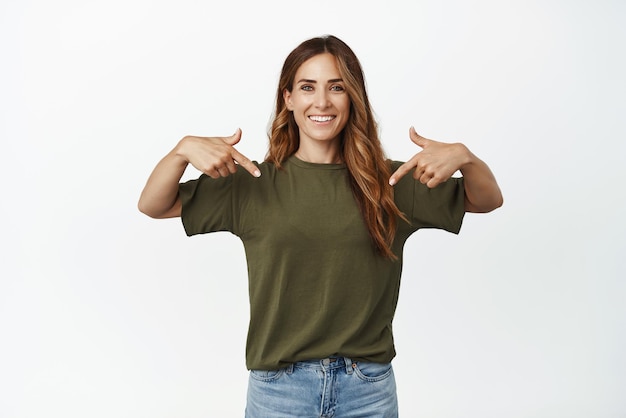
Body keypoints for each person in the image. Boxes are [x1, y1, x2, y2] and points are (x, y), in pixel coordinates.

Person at [138, 34, 502, 417]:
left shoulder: (392, 184)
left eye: (337, 87)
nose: (322, 101)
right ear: (289, 98)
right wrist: (180, 152)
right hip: (278, 391)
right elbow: (154, 205)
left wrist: (466, 158)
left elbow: (486, 200)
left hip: (367, 390)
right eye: (308, 87)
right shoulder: (251, 183)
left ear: (353, 98)